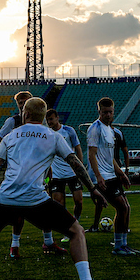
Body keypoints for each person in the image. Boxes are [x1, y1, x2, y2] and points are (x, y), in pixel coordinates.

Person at [0, 97, 113, 280]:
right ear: (43, 117)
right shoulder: (53, 136)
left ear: (25, 114)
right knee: (76, 232)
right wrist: (93, 189)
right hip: (35, 198)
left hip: (7, 197)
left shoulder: (12, 136)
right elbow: (75, 163)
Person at [87, 97, 138, 255]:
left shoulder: (111, 130)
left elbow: (111, 159)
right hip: (103, 177)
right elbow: (91, 155)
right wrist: (98, 176)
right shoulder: (95, 129)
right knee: (121, 207)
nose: (108, 115)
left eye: (110, 112)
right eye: (105, 112)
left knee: (126, 208)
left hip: (112, 175)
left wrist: (122, 174)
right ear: (99, 112)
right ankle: (118, 246)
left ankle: (123, 244)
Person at [0, 91, 32, 258]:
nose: (23, 104)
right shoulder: (13, 121)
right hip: (17, 173)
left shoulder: (40, 123)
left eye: (25, 102)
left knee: (47, 206)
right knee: (17, 211)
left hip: (37, 172)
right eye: (20, 103)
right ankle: (14, 245)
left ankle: (49, 241)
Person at [43, 108, 84, 256]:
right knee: (59, 203)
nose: (49, 122)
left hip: (72, 172)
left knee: (79, 201)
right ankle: (68, 228)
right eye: (48, 120)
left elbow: (78, 148)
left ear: (57, 118)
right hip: (57, 175)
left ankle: (76, 221)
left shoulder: (68, 131)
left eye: (51, 119)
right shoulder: (47, 134)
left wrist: (80, 167)